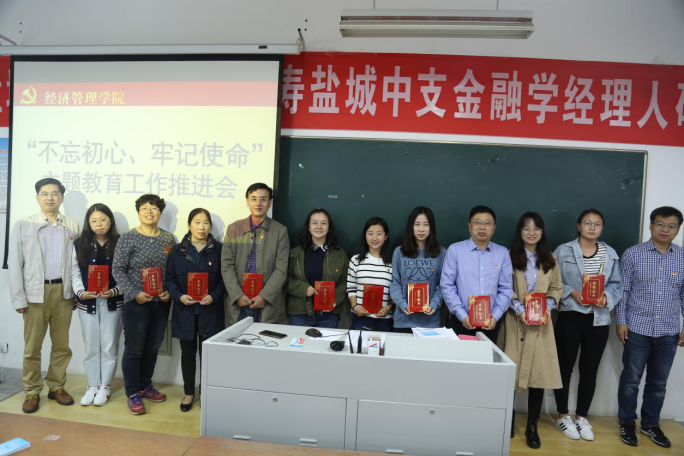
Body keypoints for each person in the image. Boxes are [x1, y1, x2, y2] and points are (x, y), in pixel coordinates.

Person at [8, 178, 79, 413]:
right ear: (37, 197)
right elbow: (15, 263)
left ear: (62, 198)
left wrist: (75, 293)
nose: (50, 197)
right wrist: (19, 297)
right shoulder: (23, 224)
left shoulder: (72, 226)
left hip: (63, 292)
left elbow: (77, 264)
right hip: (34, 293)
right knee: (32, 347)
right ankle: (32, 390)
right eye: (44, 193)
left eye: (55, 193)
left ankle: (57, 386)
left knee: (62, 346)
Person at [616, 206, 684, 449]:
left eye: (671, 226)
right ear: (651, 226)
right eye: (660, 224)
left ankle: (650, 424)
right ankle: (626, 423)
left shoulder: (682, 257)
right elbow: (623, 291)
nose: (665, 229)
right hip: (637, 328)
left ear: (677, 230)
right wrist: (621, 321)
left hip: (668, 331)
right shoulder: (633, 254)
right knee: (631, 380)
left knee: (658, 383)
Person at [553, 208, 622, 441]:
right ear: (579, 225)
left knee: (590, 370)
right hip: (571, 315)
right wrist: (572, 292)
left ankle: (582, 417)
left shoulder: (609, 253)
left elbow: (616, 285)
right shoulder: (563, 251)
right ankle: (563, 415)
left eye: (597, 224)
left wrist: (606, 298)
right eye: (588, 223)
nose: (592, 227)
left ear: (602, 228)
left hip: (598, 319)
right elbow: (553, 281)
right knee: (564, 368)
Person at [500, 212, 563, 449]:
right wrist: (520, 310)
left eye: (536, 228)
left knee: (538, 376)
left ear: (542, 232)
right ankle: (508, 419)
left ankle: (532, 425)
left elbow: (556, 288)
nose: (531, 232)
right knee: (510, 374)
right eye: (526, 228)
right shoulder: (508, 256)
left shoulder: (550, 259)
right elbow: (504, 287)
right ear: (520, 231)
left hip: (540, 326)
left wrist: (545, 308)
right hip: (514, 323)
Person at [112, 194, 176, 415]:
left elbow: (173, 270)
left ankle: (145, 386)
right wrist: (134, 293)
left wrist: (170, 292)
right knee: (134, 349)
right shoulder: (128, 238)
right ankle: (132, 393)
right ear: (138, 212)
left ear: (160, 212)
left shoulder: (169, 238)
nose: (149, 212)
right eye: (145, 208)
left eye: (154, 208)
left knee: (152, 347)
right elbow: (117, 269)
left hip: (161, 302)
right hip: (136, 303)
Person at [166, 208, 226, 412]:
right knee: (188, 354)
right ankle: (189, 393)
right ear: (189, 225)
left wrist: (214, 296)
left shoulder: (219, 249)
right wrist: (179, 296)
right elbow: (170, 279)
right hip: (186, 311)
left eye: (206, 222)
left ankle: (205, 392)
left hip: (211, 312)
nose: (202, 227)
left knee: (208, 356)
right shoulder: (177, 250)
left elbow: (226, 280)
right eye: (197, 222)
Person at [70, 203, 123, 407]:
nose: (99, 224)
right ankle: (92, 385)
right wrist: (81, 292)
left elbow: (127, 272)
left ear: (110, 221)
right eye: (94, 221)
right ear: (88, 223)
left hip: (113, 302)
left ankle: (105, 386)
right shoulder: (79, 243)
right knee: (91, 347)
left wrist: (116, 291)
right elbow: (75, 271)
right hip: (88, 302)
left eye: (103, 219)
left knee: (109, 346)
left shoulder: (120, 242)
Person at [441, 205, 513, 342]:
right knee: (457, 356)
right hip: (459, 320)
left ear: (494, 227)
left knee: (486, 356)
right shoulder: (455, 250)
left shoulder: (502, 253)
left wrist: (495, 316)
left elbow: (506, 289)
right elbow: (447, 285)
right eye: (478, 222)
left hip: (490, 323)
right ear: (470, 226)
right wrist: (462, 315)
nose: (482, 227)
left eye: (487, 223)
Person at [221, 183, 289, 325]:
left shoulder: (280, 231)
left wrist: (265, 296)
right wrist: (237, 295)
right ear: (247, 202)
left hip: (267, 302)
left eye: (263, 199)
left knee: (264, 338)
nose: (258, 203)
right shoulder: (233, 229)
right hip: (239, 301)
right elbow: (226, 265)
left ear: (270, 203)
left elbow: (281, 269)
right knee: (237, 338)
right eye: (253, 199)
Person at [287, 208, 349, 328]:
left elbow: (346, 281)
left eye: (323, 223)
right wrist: (303, 288)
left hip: (329, 315)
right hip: (299, 314)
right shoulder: (295, 254)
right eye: (314, 223)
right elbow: (286, 278)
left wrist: (334, 299)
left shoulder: (340, 255)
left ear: (329, 227)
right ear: (308, 227)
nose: (319, 227)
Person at [390, 207, 446, 332]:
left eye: (426, 224)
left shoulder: (441, 252)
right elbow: (395, 283)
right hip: (403, 320)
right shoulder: (399, 252)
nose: (421, 229)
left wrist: (434, 304)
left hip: (430, 321)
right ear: (411, 227)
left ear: (431, 227)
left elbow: (442, 284)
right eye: (417, 224)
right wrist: (402, 304)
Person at [347, 217, 395, 332]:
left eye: (379, 234)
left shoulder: (393, 262)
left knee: (384, 345)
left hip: (385, 320)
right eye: (370, 234)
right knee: (358, 344)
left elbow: (397, 289)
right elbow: (351, 288)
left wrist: (389, 307)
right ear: (365, 236)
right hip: (360, 318)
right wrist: (355, 306)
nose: (374, 238)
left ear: (386, 236)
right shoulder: (355, 260)